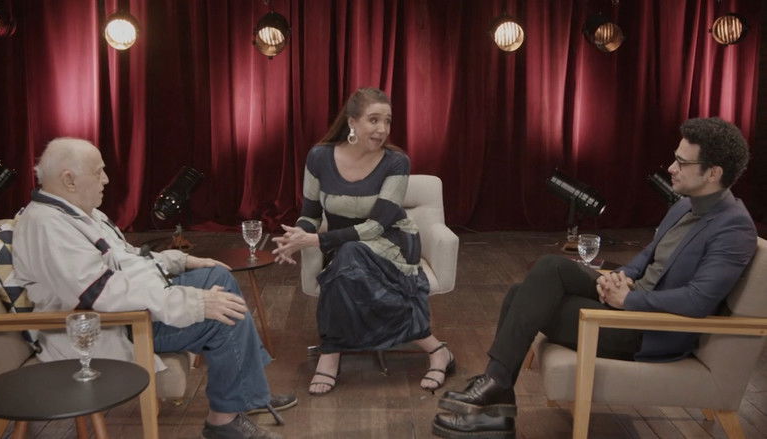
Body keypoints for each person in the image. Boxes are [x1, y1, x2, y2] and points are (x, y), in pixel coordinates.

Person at [431, 117, 757, 439]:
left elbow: (698, 300)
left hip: (648, 330)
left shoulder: (733, 227)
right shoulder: (685, 205)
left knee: (521, 296)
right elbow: (648, 256)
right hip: (629, 304)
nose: (672, 168)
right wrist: (619, 277)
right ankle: (497, 391)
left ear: (713, 173)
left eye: (682, 163)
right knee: (550, 267)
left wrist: (630, 300)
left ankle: (497, 397)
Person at [12, 138, 296, 439]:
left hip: (131, 310)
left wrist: (181, 260)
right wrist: (193, 303)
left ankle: (248, 390)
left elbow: (129, 258)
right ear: (69, 180)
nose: (105, 180)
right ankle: (224, 421)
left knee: (217, 276)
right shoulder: (48, 226)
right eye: (98, 172)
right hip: (111, 326)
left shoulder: (79, 213)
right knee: (223, 315)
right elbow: (101, 293)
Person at [271, 87, 455, 395]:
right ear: (352, 122)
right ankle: (436, 349)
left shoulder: (397, 162)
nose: (382, 129)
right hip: (344, 245)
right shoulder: (319, 157)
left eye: (387, 121)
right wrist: (297, 235)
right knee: (349, 258)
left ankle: (331, 353)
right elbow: (311, 214)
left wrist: (316, 240)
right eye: (373, 119)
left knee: (349, 255)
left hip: (392, 241)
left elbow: (377, 225)